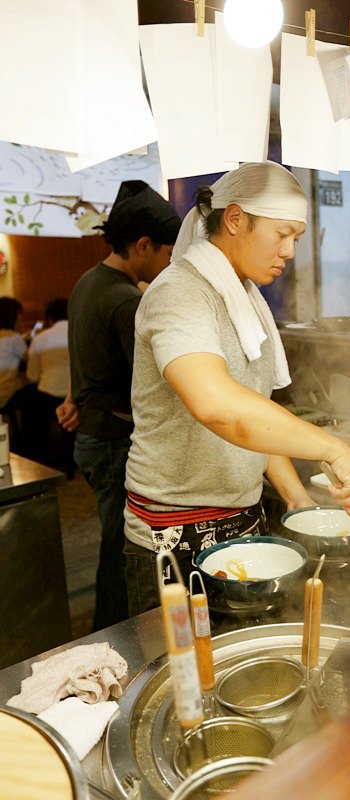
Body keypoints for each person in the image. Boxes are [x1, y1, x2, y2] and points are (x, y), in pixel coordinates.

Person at [124, 161, 350, 616]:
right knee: (184, 679)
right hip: (174, 537)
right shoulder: (181, 293)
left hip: (244, 524)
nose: (289, 251)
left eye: (296, 239)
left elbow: (255, 413)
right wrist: (334, 449)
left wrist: (297, 496)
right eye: (282, 234)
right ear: (236, 219)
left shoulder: (245, 298)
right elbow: (217, 405)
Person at [58, 180, 182, 631]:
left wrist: (72, 398)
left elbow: (85, 360)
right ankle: (111, 638)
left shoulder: (87, 282)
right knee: (120, 547)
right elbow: (148, 383)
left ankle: (109, 632)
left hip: (91, 436)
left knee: (112, 542)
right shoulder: (126, 299)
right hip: (111, 439)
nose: (169, 264)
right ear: (143, 244)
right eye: (168, 254)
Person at [24, 297, 75, 474]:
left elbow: (32, 376)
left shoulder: (41, 339)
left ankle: (41, 461)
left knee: (30, 405)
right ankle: (72, 462)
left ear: (49, 318)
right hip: (77, 397)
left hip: (48, 397)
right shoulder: (79, 332)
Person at [0, 296, 28, 411]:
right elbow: (29, 360)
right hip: (4, 393)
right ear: (13, 316)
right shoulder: (14, 337)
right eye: (20, 315)